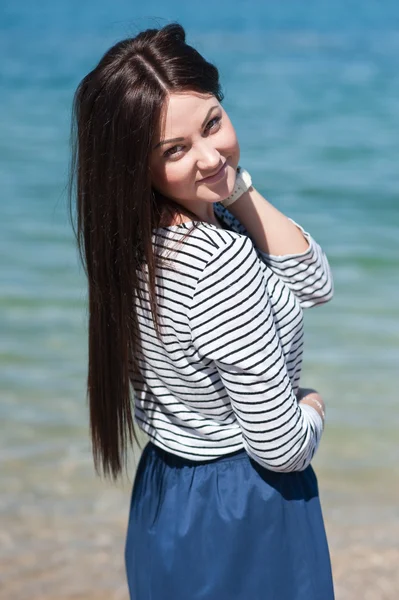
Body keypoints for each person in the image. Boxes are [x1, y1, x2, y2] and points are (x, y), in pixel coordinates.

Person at [68, 21, 335, 600]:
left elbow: (314, 281)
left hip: (169, 496)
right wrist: (313, 407)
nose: (209, 156)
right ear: (135, 165)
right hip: (246, 507)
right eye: (176, 150)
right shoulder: (217, 263)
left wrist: (234, 187)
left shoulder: (133, 241)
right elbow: (282, 447)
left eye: (212, 122)